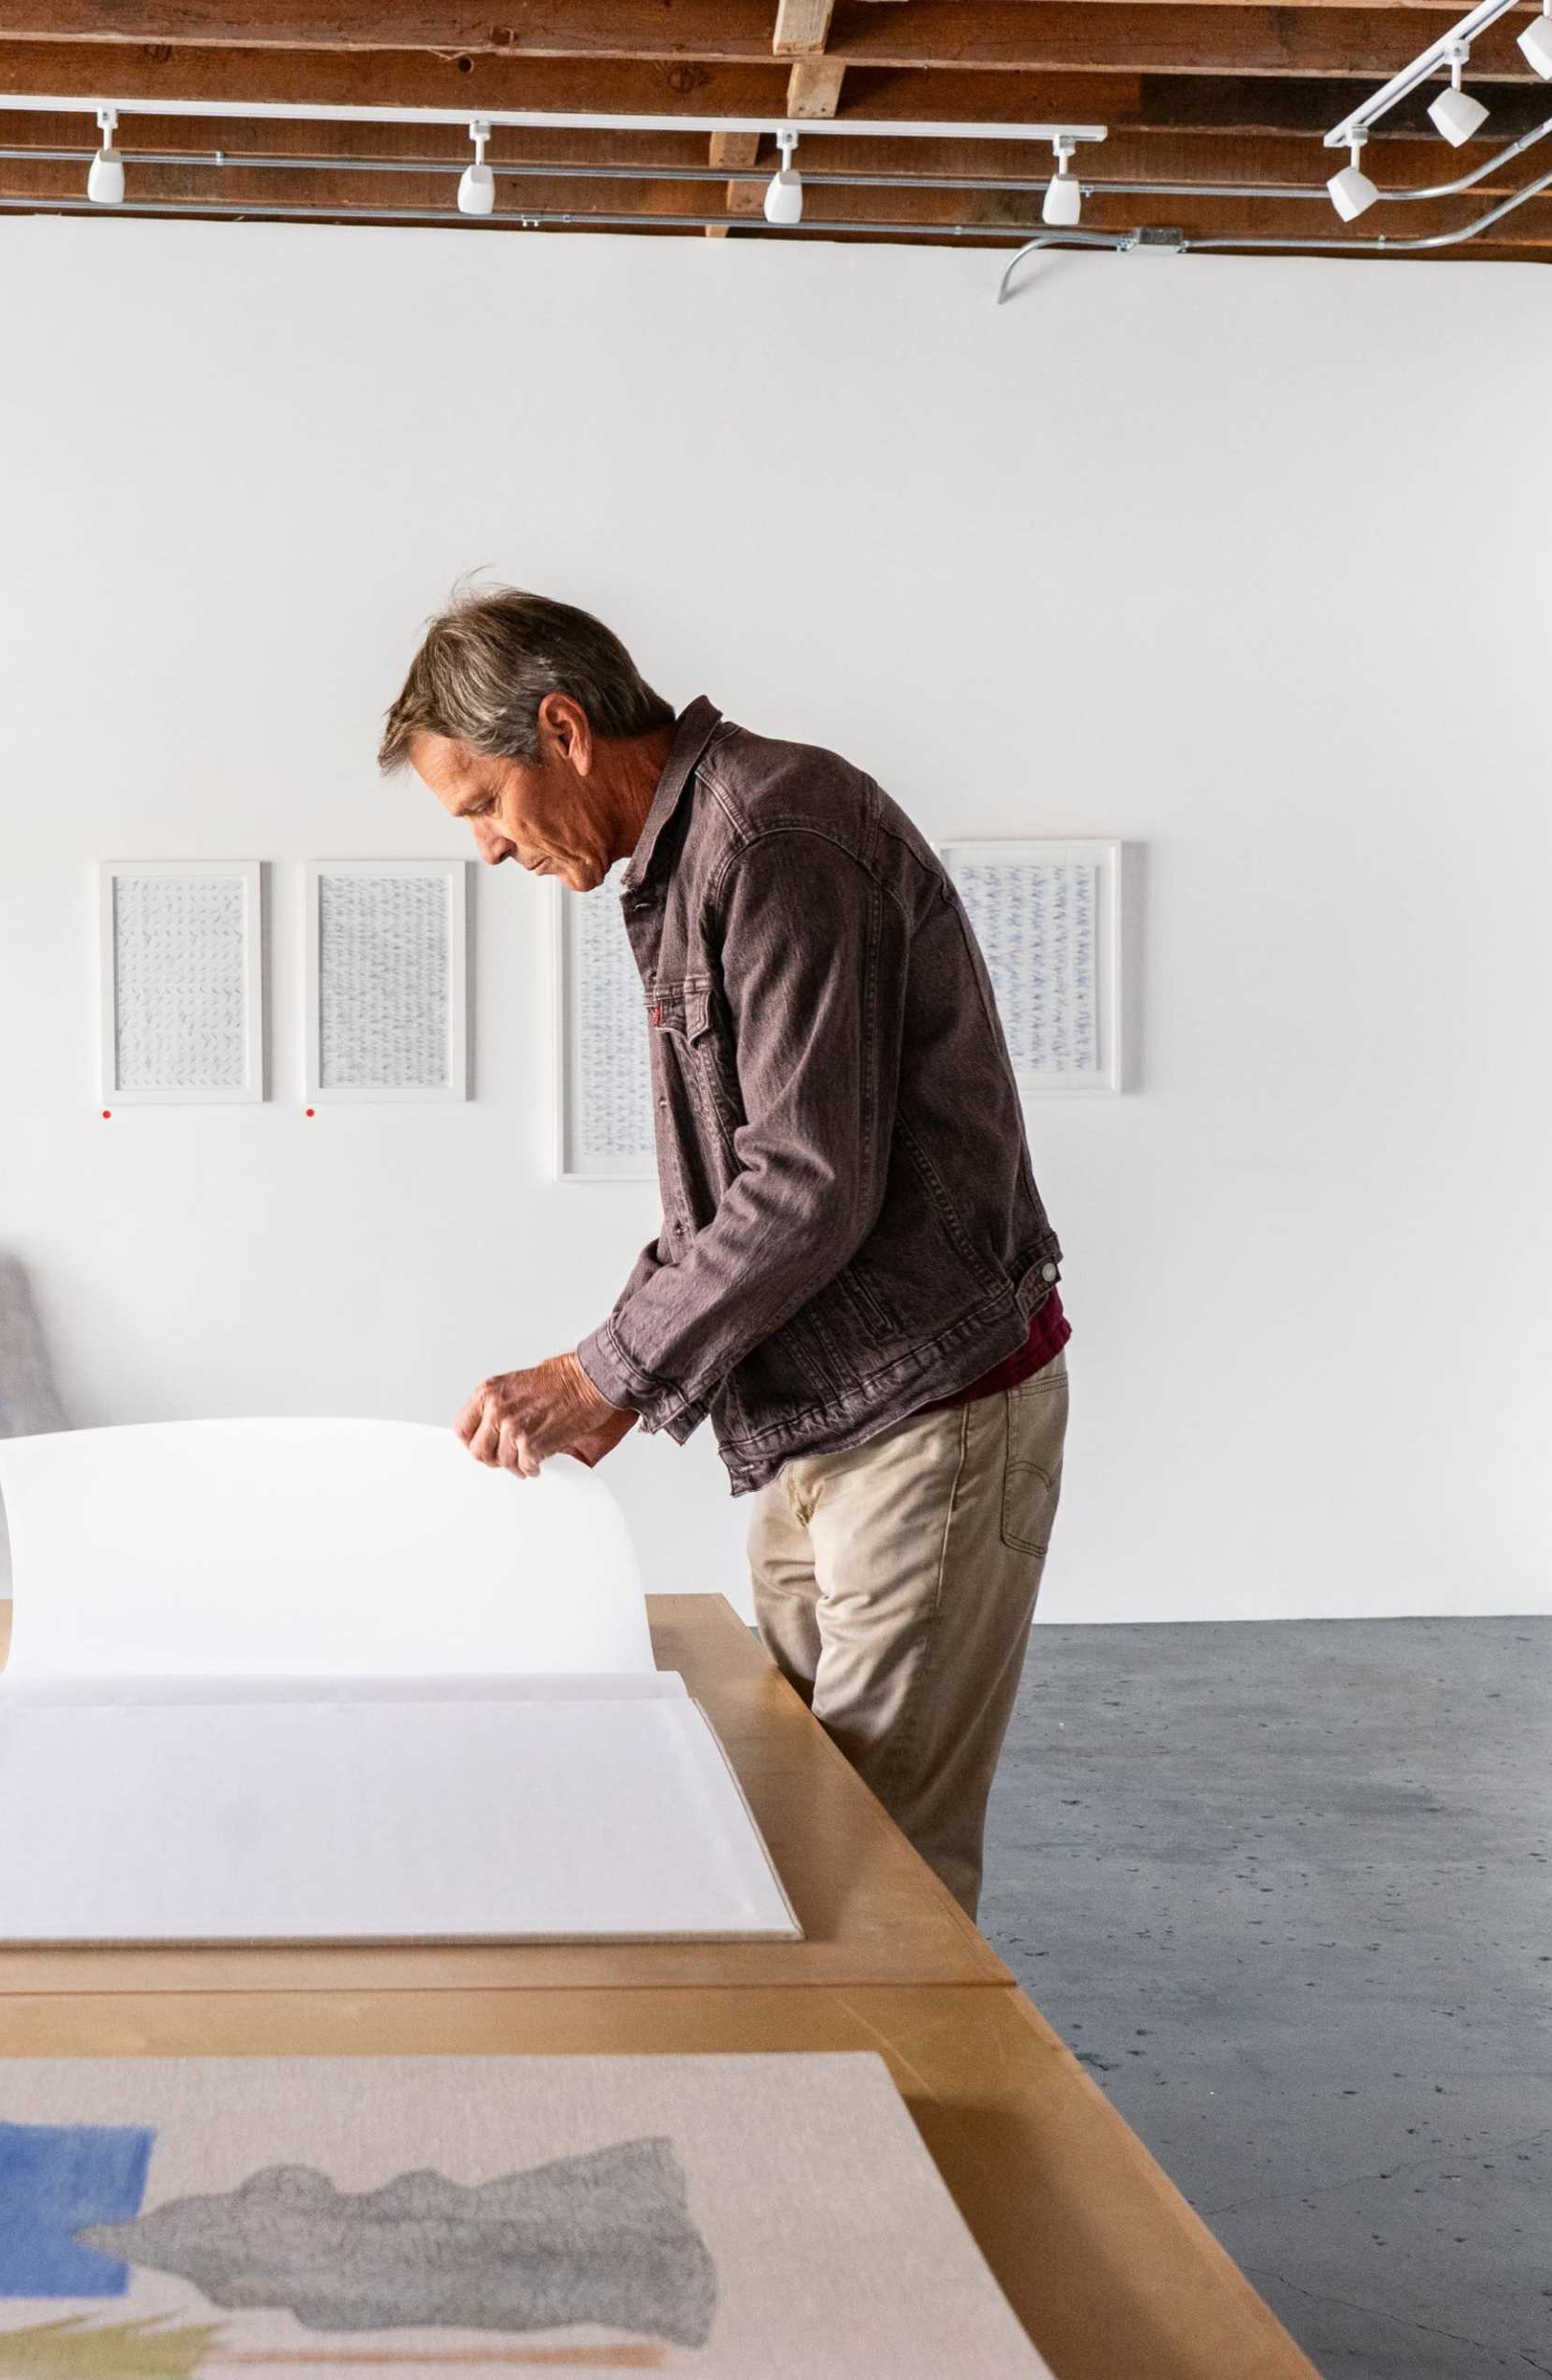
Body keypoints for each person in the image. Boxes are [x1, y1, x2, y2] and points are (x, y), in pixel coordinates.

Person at [381, 585, 1070, 1920]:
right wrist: (600, 1372)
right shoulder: (697, 856)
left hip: (930, 1417)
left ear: (563, 730)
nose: (486, 847)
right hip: (821, 1421)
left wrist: (602, 1376)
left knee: (884, 1875)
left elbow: (806, 1186)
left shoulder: (777, 836)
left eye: (483, 803)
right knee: (804, 1827)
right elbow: (733, 1199)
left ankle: (906, 2070)